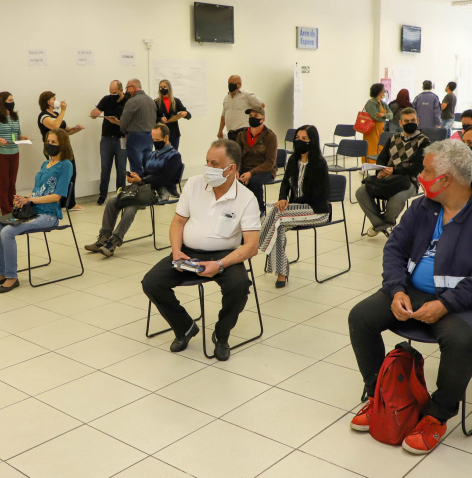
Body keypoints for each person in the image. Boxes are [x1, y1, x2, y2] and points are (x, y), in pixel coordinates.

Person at [348, 139, 472, 455]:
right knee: (361, 316)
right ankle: (378, 396)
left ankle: (437, 415)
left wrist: (446, 304)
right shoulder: (422, 207)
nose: (420, 176)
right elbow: (395, 249)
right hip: (413, 292)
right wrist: (397, 289)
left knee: (458, 338)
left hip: (468, 302)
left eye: (426, 171)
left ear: (446, 179)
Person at [141, 139, 260, 361]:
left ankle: (221, 335)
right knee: (151, 282)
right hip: (187, 252)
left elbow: (251, 246)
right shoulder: (194, 184)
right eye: (207, 161)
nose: (208, 168)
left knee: (240, 286)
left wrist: (220, 264)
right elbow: (178, 222)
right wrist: (176, 251)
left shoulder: (246, 199)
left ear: (231, 168)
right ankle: (185, 327)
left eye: (214, 164)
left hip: (226, 257)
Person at [0, 129, 74, 293]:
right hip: (33, 210)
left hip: (49, 215)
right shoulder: (45, 163)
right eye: (48, 141)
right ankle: (2, 272)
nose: (49, 144)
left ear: (63, 144)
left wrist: (30, 200)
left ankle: (12, 277)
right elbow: (36, 191)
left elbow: (56, 196)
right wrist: (23, 199)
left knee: (7, 232)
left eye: (53, 142)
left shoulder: (66, 165)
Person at [85, 123, 182, 257]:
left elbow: (165, 179)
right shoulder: (153, 154)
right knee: (112, 201)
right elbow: (147, 174)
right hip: (143, 189)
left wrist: (142, 180)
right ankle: (104, 237)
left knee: (131, 206)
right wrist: (137, 177)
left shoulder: (174, 156)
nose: (154, 143)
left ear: (166, 138)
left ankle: (114, 242)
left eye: (157, 140)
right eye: (153, 140)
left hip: (159, 192)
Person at [258, 124, 330, 288]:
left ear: (312, 141)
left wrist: (289, 203)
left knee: (277, 214)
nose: (300, 141)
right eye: (297, 138)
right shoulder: (293, 160)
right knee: (278, 226)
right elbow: (285, 183)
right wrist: (283, 198)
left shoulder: (319, 164)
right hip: (295, 210)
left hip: (316, 210)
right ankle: (282, 273)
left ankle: (257, 241)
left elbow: (316, 196)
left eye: (304, 139)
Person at [356, 108, 430, 237]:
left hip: (409, 181)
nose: (410, 123)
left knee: (397, 199)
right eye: (406, 121)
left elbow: (416, 167)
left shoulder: (424, 141)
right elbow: (382, 159)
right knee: (361, 191)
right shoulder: (393, 138)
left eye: (413, 120)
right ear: (400, 123)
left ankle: (380, 224)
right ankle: (382, 225)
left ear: (417, 121)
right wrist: (380, 171)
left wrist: (394, 170)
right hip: (387, 179)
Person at [38, 91, 84, 210]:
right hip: (53, 149)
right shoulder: (44, 116)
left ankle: (69, 202)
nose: (56, 101)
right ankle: (56, 200)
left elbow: (65, 131)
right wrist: (63, 110)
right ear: (48, 102)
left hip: (65, 147)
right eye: (54, 98)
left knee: (71, 173)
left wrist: (76, 129)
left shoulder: (56, 114)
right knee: (56, 174)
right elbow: (55, 126)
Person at [0, 91, 30, 214]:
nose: (12, 103)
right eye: (9, 101)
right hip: (1, 153)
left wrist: (22, 138)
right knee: (4, 183)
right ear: (2, 102)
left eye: (12, 100)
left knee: (12, 183)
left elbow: (16, 135)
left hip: (14, 152)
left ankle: (13, 208)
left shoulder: (15, 116)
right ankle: (6, 211)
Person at [234, 105, 278, 216]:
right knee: (233, 179)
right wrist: (237, 170)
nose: (252, 118)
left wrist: (251, 173)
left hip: (265, 170)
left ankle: (260, 209)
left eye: (256, 116)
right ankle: (241, 209)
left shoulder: (270, 136)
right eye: (250, 116)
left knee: (253, 181)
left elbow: (270, 162)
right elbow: (237, 156)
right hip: (245, 167)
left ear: (262, 119)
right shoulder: (242, 135)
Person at [90, 80, 128, 205]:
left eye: (115, 92)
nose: (112, 94)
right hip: (106, 138)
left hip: (121, 138)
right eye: (111, 92)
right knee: (105, 168)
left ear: (121, 90)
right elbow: (94, 113)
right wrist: (94, 113)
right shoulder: (106, 99)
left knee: (121, 168)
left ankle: (121, 194)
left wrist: (117, 121)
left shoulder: (128, 101)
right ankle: (102, 195)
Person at [119, 78, 158, 174]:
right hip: (150, 137)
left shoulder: (132, 101)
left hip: (135, 137)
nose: (126, 91)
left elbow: (124, 122)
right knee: (147, 166)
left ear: (133, 87)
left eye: (127, 88)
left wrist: (124, 132)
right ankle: (147, 187)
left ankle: (138, 188)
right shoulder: (150, 100)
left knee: (136, 168)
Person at [218, 75, 264, 142]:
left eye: (232, 83)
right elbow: (223, 117)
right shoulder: (226, 98)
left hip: (243, 132)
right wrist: (220, 131)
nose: (230, 85)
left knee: (242, 151)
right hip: (231, 133)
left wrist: (254, 120)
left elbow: (261, 105)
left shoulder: (246, 95)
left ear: (239, 84)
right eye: (229, 83)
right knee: (233, 151)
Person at [155, 79, 191, 150]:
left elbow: (188, 116)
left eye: (164, 87)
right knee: (161, 156)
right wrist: (160, 119)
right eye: (160, 87)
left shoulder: (176, 101)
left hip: (174, 133)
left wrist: (185, 113)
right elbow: (152, 117)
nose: (162, 89)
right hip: (161, 134)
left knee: (173, 155)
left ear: (169, 88)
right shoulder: (156, 102)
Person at [363, 83, 392, 159]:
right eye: (383, 90)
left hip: (380, 128)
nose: (384, 92)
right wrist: (386, 115)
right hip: (371, 128)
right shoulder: (371, 102)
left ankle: (378, 163)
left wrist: (383, 115)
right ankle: (368, 164)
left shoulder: (383, 103)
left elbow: (391, 115)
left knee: (380, 146)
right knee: (371, 146)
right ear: (379, 92)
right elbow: (375, 117)